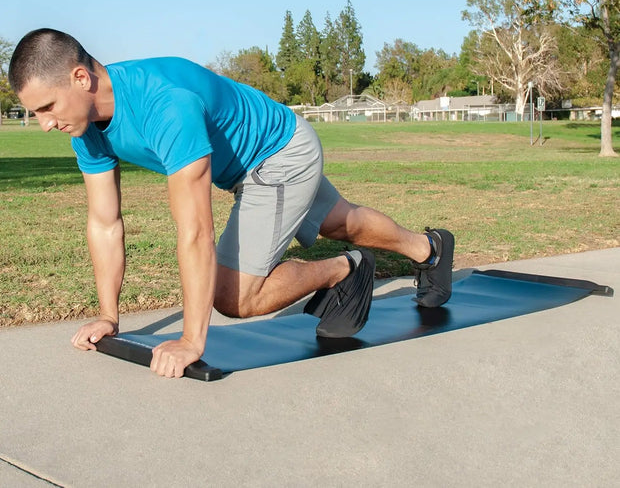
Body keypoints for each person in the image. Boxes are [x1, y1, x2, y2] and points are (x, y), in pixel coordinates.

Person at [9, 28, 455, 378]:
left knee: (233, 295)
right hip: (254, 159)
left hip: (278, 153)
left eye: (47, 107)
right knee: (340, 222)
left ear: (81, 78)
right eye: (35, 113)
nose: (44, 124)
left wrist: (191, 340)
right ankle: (429, 248)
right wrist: (109, 316)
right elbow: (105, 223)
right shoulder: (84, 126)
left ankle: (347, 269)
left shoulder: (164, 105)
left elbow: (196, 231)